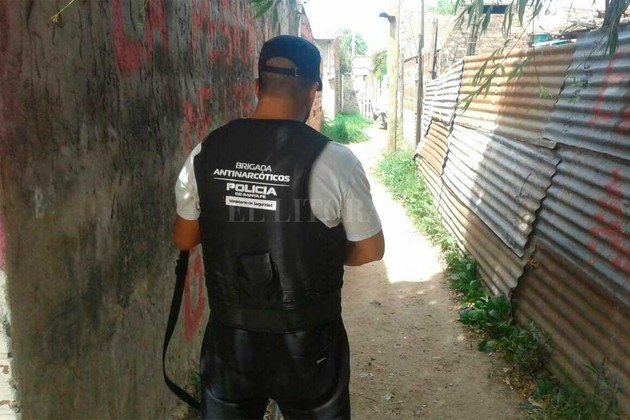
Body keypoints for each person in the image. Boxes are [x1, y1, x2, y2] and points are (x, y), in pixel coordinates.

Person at [172, 35, 384, 419]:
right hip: (308, 342)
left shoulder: (207, 150)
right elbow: (370, 250)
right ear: (313, 91)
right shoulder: (335, 160)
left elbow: (185, 238)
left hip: (230, 341)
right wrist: (314, 250)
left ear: (256, 86)